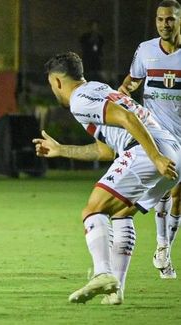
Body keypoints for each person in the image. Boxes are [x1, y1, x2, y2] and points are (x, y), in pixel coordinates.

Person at [34, 52, 181, 305]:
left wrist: (155, 157)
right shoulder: (98, 90)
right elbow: (106, 150)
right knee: (122, 213)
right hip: (175, 153)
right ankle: (116, 289)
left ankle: (103, 273)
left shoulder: (80, 100)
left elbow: (127, 118)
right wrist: (61, 150)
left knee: (93, 209)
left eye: (51, 85)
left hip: (150, 151)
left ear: (57, 81)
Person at [118, 0, 181, 279]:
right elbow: (132, 80)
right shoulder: (145, 50)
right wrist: (124, 92)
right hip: (158, 134)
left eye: (170, 19)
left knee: (178, 196)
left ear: (179, 21)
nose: (164, 24)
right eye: (160, 19)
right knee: (168, 189)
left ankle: (164, 249)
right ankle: (162, 246)